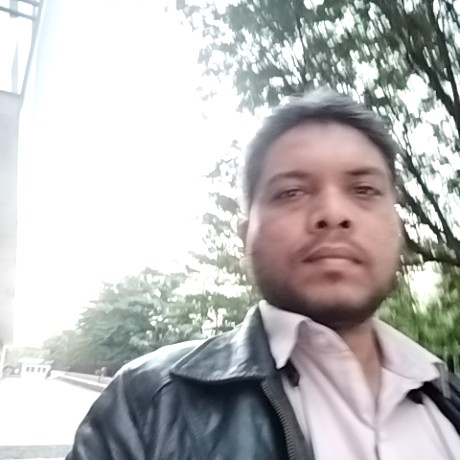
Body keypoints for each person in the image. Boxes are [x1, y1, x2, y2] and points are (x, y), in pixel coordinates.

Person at [66, 89, 460, 460]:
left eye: (364, 190)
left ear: (397, 229)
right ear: (245, 236)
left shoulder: (451, 400)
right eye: (291, 192)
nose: (333, 213)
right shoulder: (147, 403)